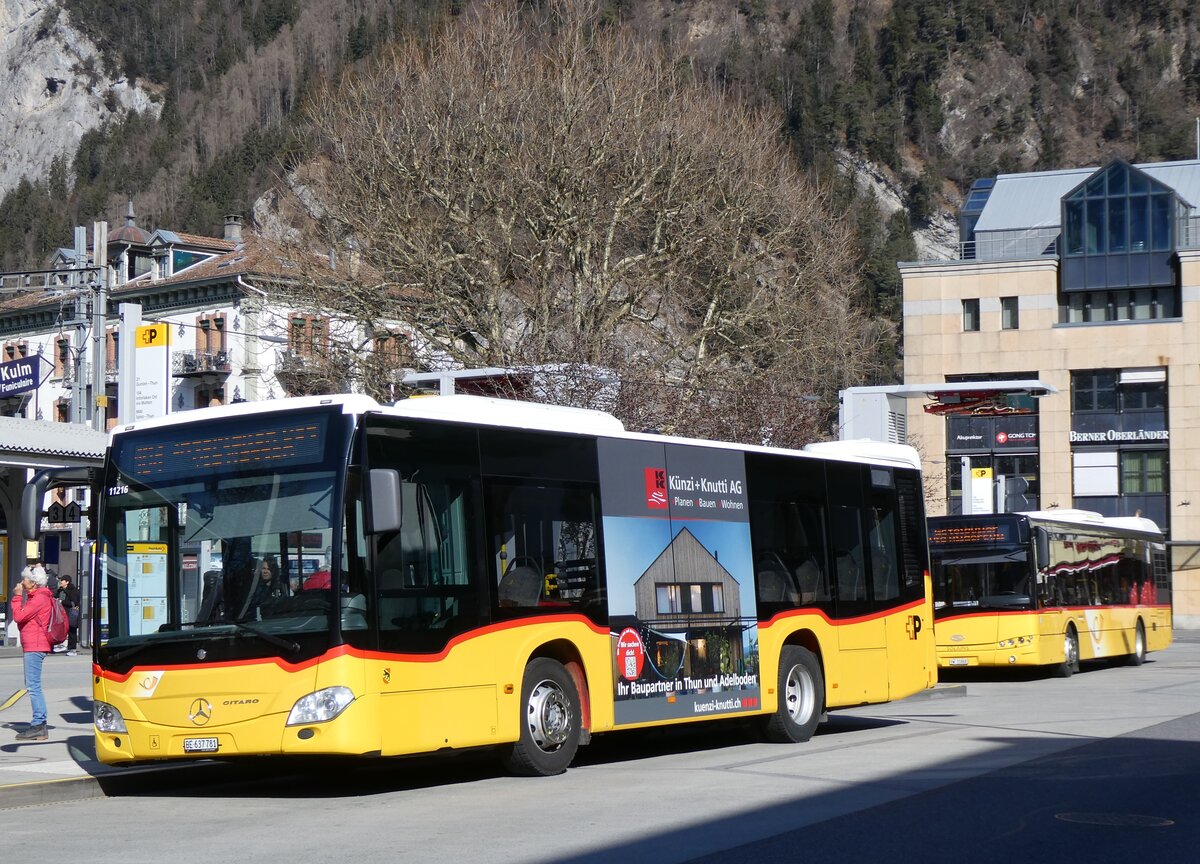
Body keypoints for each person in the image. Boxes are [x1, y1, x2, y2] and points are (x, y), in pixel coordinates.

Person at [10, 564, 53, 740]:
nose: (22, 581)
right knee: (33, 686)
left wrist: (17, 597)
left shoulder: (39, 599)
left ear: (34, 583)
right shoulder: (39, 595)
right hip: (34, 644)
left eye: (26, 578)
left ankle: (38, 724)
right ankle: (39, 725)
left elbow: (19, 617)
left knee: (33, 687)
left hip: (35, 646)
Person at [54, 574, 81, 656]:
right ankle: (61, 645)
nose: (60, 582)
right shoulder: (60, 590)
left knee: (71, 630)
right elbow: (55, 597)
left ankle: (72, 649)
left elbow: (74, 603)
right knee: (61, 629)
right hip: (61, 613)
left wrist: (62, 602)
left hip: (70, 613)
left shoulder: (73, 591)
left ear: (67, 582)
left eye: (62, 580)